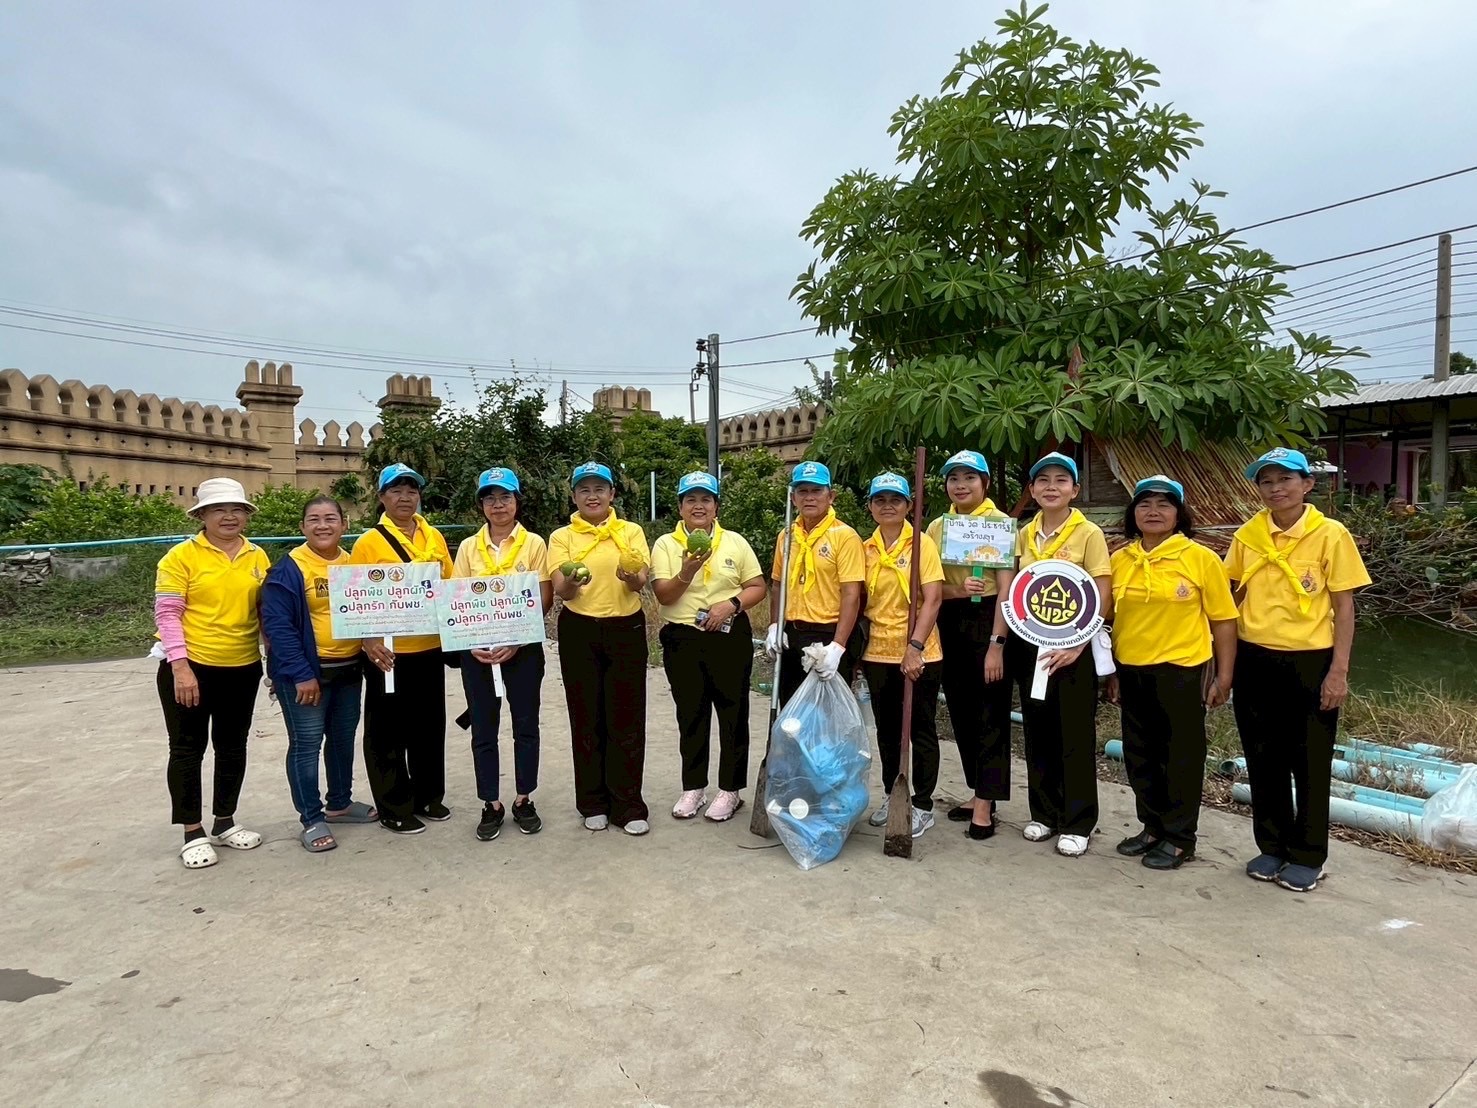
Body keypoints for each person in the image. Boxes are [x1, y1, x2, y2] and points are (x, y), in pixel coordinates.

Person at [1225, 448, 1371, 892]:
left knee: (1308, 760)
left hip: (1311, 660)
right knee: (1262, 756)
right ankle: (1272, 846)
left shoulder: (1330, 534)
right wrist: (1221, 663)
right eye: (1266, 481)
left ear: (1308, 485)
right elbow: (1231, 597)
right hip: (1255, 658)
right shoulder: (1249, 535)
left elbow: (1344, 608)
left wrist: (1338, 672)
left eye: (1285, 479)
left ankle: (1309, 855)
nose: (1276, 488)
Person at [1105, 476, 1238, 871]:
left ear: (1180, 514)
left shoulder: (1200, 559)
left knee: (1180, 755)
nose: (1153, 512)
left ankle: (1180, 838)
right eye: (1144, 504)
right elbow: (1110, 620)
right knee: (1139, 754)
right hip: (1131, 669)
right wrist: (1111, 671)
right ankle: (1151, 827)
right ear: (1133, 514)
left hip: (1181, 671)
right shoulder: (1120, 559)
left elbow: (1224, 622)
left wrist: (1224, 676)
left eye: (1164, 504)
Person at [153, 477, 272, 870]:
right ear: (201, 515)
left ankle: (225, 820)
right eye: (219, 509)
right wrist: (181, 668)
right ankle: (191, 830)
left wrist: (274, 662)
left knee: (233, 744)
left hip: (242, 665)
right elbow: (168, 614)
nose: (229, 516)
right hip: (192, 665)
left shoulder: (258, 556)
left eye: (237, 509)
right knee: (187, 748)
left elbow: (264, 615)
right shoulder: (180, 557)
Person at [1009, 452, 1113, 858]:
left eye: (1060, 480)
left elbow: (1102, 590)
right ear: (1032, 490)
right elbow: (1017, 587)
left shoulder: (1088, 533)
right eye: (1042, 481)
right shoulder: (1024, 534)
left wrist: (1079, 642)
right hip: (1031, 646)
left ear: (1074, 489)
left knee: (1075, 733)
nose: (1051, 487)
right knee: (1038, 730)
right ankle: (1045, 813)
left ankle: (1079, 821)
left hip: (1074, 648)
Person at [260, 496, 377, 853]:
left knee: (342, 741)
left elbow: (369, 609)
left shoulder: (353, 565)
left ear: (344, 524)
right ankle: (311, 818)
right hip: (306, 675)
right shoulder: (289, 569)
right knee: (307, 745)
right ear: (302, 527)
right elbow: (277, 627)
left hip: (348, 671)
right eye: (314, 519)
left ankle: (339, 803)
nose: (322, 525)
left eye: (330, 518)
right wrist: (300, 674)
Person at [651, 471, 769, 822]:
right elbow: (663, 594)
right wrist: (687, 570)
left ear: (716, 506)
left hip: (728, 635)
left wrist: (730, 604)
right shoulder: (666, 545)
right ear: (680, 507)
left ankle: (730, 790)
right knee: (691, 713)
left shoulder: (734, 542)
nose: (698, 506)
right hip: (683, 637)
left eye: (706, 499)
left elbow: (757, 585)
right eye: (691, 499)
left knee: (733, 713)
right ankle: (694, 787)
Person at [350, 462, 456, 835]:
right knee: (387, 731)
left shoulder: (435, 537)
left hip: (429, 647)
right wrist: (368, 641)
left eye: (411, 490)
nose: (405, 497)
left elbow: (449, 586)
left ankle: (428, 795)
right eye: (396, 490)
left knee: (428, 726)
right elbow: (355, 598)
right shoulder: (368, 543)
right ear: (381, 497)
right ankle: (394, 803)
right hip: (389, 653)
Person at [549, 462, 653, 835]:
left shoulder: (631, 531)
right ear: (574, 497)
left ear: (612, 494)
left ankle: (628, 804)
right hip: (579, 628)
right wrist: (574, 582)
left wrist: (631, 577)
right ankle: (592, 801)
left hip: (626, 627)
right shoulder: (562, 537)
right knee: (586, 717)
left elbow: (640, 580)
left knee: (626, 718)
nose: (592, 496)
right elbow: (561, 590)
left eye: (599, 489)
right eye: (584, 490)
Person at [451, 467, 552, 842]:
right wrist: (471, 641)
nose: (498, 505)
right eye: (490, 498)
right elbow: (458, 599)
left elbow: (544, 597)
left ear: (516, 501)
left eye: (505, 497)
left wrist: (518, 640)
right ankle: (490, 803)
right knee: (484, 727)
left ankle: (524, 798)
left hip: (522, 650)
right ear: (481, 504)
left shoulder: (534, 544)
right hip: (477, 652)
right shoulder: (466, 548)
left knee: (526, 724)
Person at [925, 449, 1016, 841]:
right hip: (948, 620)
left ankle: (985, 804)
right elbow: (929, 588)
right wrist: (957, 588)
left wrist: (997, 643)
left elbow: (1008, 588)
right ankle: (979, 790)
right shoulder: (936, 528)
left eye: (969, 478)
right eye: (953, 478)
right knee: (961, 711)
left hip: (990, 621)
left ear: (986, 483)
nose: (961, 485)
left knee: (990, 713)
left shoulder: (1000, 525)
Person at [859, 473, 946, 839]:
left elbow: (934, 598)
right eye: (880, 500)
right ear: (870, 507)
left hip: (920, 650)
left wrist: (915, 646)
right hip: (877, 650)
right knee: (888, 731)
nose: (888, 506)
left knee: (921, 729)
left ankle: (923, 804)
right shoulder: (865, 548)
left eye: (896, 499)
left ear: (909, 505)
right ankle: (892, 795)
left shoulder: (921, 544)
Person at [765, 461, 865, 704]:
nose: (809, 498)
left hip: (828, 634)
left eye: (816, 491)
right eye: (803, 491)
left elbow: (851, 594)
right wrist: (774, 626)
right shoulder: (787, 535)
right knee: (791, 715)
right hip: (792, 634)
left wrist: (838, 646)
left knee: (826, 718)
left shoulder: (845, 536)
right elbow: (778, 584)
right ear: (793, 497)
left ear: (831, 496)